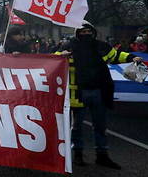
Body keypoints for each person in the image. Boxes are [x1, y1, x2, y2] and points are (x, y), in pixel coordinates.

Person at [55, 21, 141, 169]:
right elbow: (51, 60)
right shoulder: (68, 47)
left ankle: (102, 156)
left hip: (99, 91)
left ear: (93, 31)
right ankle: (78, 155)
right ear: (77, 33)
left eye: (88, 31)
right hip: (78, 93)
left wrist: (132, 57)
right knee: (77, 127)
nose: (86, 34)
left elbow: (116, 55)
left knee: (100, 126)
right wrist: (60, 56)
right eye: (82, 32)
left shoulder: (102, 46)